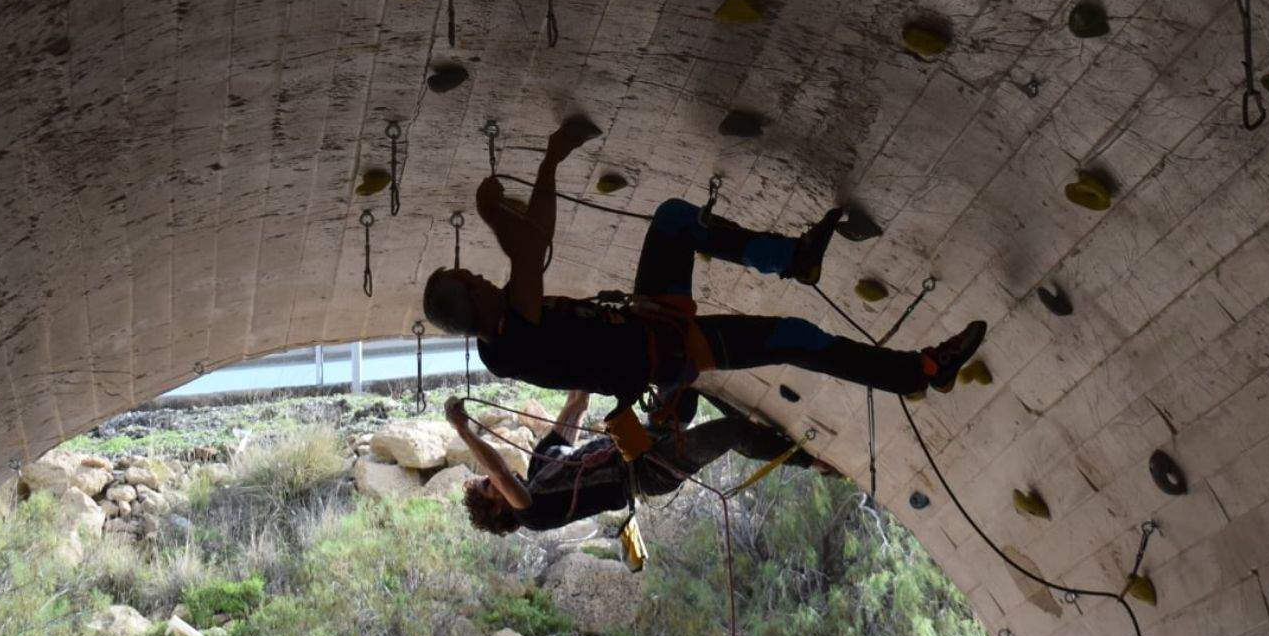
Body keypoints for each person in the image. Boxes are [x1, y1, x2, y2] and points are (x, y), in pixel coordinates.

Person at [420, 116, 987, 439]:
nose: (481, 275)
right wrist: (499, 206)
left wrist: (550, 163)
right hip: (665, 351)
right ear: (472, 296)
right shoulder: (513, 334)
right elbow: (528, 245)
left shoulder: (502, 335)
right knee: (794, 338)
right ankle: (920, 371)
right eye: (471, 277)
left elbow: (530, 247)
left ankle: (794, 258)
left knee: (672, 222)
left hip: (646, 324)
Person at [445, 390, 825, 534]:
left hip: (635, 441)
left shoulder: (541, 467)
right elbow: (496, 468)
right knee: (732, 433)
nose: (490, 479)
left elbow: (576, 405)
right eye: (486, 487)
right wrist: (464, 431)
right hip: (646, 472)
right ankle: (809, 461)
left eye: (484, 482)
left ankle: (756, 426)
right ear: (499, 510)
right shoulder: (533, 514)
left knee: (682, 389)